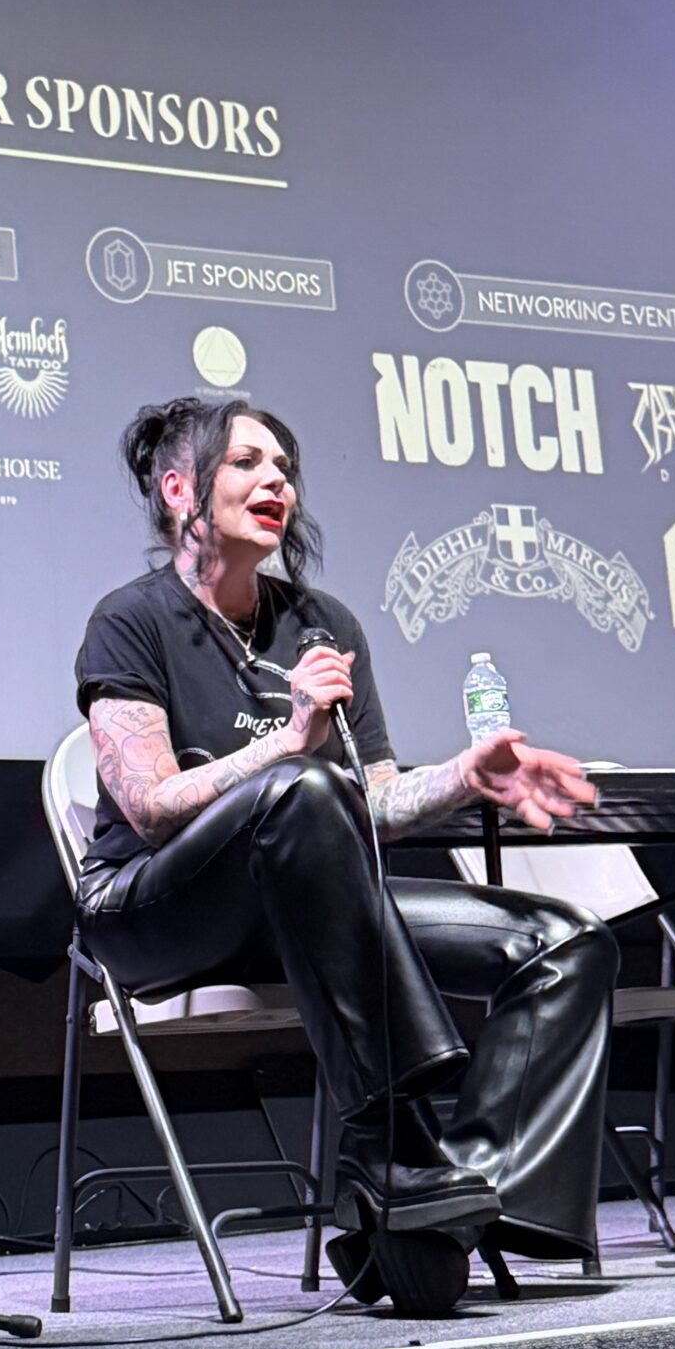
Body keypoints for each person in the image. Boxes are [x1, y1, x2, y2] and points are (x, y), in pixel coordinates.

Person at [75, 394, 618, 1296]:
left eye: (283, 466)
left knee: (565, 942)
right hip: (153, 906)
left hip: (307, 900)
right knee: (300, 786)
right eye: (247, 463)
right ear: (181, 490)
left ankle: (464, 1188)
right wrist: (286, 743)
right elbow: (148, 806)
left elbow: (375, 801)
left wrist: (465, 775)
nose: (275, 480)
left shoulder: (322, 626)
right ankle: (398, 1145)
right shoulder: (131, 621)